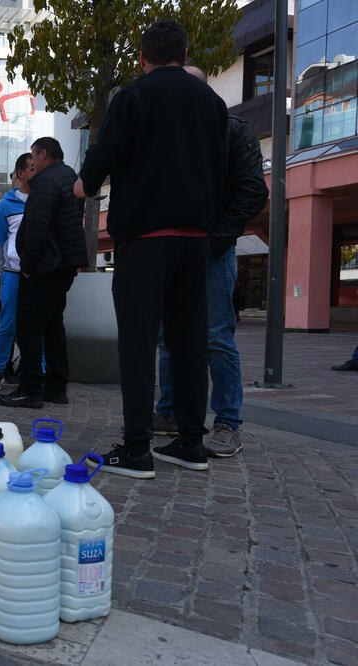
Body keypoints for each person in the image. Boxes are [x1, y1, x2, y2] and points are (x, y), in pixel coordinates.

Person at [75, 19, 228, 478]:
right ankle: (191, 443)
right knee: (189, 343)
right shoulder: (211, 101)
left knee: (139, 344)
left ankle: (138, 449)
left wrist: (85, 185)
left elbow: (104, 154)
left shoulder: (134, 96)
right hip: (196, 239)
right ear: (184, 53)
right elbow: (219, 165)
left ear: (142, 58)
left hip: (144, 238)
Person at [153, 65, 269, 457]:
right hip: (172, 248)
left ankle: (226, 422)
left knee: (217, 337)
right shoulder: (172, 133)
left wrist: (218, 238)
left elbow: (254, 190)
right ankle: (168, 412)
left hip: (212, 251)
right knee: (168, 338)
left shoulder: (232, 130)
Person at [0, 137, 88, 408]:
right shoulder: (67, 176)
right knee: (52, 325)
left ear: (43, 154)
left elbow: (37, 227)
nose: (32, 163)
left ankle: (30, 388)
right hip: (62, 264)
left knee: (29, 326)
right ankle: (56, 387)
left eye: (34, 157)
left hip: (45, 266)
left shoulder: (46, 182)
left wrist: (27, 266)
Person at [0, 153, 33, 392]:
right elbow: (1, 243)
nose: (38, 172)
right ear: (20, 173)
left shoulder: (45, 199)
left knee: (39, 325)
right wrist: (2, 273)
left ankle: (39, 372)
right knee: (6, 324)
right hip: (12, 273)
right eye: (32, 168)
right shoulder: (6, 204)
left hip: (38, 276)